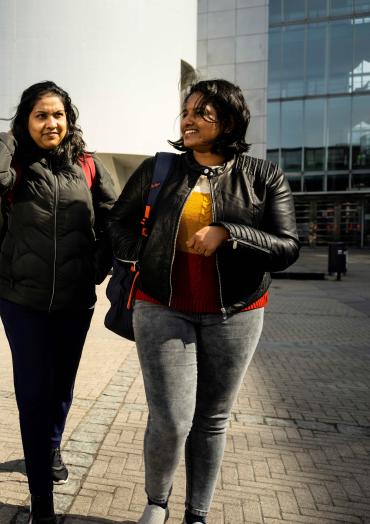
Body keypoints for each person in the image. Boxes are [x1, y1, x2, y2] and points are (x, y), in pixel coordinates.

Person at [108, 79, 300, 524]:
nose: (188, 120)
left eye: (201, 113)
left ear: (228, 122)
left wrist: (230, 233)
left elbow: (288, 246)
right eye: (186, 111)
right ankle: (156, 503)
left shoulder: (263, 176)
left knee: (212, 419)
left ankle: (197, 513)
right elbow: (117, 221)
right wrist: (145, 255)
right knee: (171, 419)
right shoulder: (161, 170)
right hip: (161, 304)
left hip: (236, 312)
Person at [0, 81, 117, 523]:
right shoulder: (15, 164)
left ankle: (51, 445)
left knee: (61, 389)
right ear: (26, 121)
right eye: (40, 115)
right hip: (23, 302)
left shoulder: (89, 166)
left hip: (75, 301)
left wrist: (96, 267)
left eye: (58, 114)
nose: (51, 123)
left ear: (69, 118)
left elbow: (115, 221)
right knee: (33, 394)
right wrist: (11, 136)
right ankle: (42, 502)